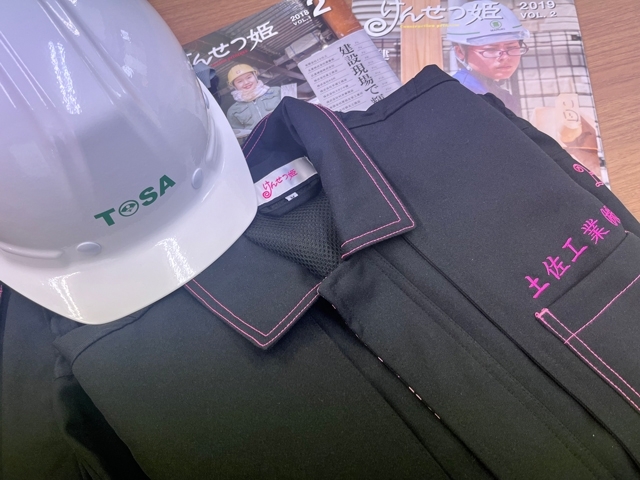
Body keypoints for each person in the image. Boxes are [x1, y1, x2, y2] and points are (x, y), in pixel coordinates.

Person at [446, 1, 529, 115]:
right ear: (460, 52)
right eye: (491, 49)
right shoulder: (461, 95)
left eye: (511, 47)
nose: (505, 57)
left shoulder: (501, 96)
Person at [225, 63, 282, 132]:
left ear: (255, 76)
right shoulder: (233, 111)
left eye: (249, 77)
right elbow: (240, 135)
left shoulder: (277, 91)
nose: (246, 82)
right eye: (240, 81)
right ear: (234, 86)